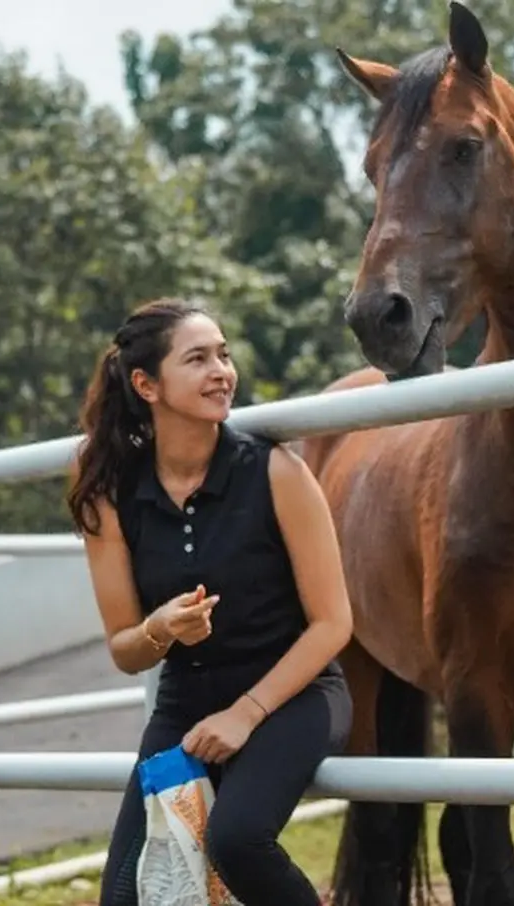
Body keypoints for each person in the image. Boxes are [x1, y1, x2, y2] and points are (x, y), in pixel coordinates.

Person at [67, 298, 354, 906]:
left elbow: (334, 624)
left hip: (295, 696)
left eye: (223, 354)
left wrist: (245, 714)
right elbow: (125, 650)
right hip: (185, 703)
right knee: (123, 897)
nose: (221, 371)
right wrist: (160, 629)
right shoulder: (112, 491)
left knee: (238, 838)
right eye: (197, 359)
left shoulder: (276, 471)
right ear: (146, 384)